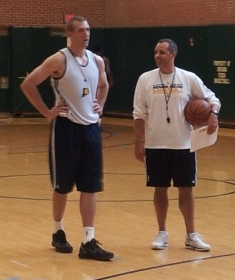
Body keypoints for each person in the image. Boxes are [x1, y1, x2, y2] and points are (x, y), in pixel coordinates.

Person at [20, 16, 114, 261]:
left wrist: (99, 105)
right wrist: (46, 113)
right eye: (81, 30)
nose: (86, 34)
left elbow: (103, 85)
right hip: (66, 128)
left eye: (88, 30)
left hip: (91, 128)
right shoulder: (59, 59)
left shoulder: (97, 61)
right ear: (70, 34)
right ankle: (58, 230)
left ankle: (88, 240)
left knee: (90, 186)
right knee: (62, 186)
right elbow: (29, 84)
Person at [133, 38, 221, 252]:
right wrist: (138, 141)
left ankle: (191, 235)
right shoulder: (145, 79)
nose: (157, 55)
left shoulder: (188, 78)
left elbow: (212, 98)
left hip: (183, 145)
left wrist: (213, 114)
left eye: (162, 52)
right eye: (156, 52)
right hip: (156, 145)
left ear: (173, 54)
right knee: (159, 189)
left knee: (186, 190)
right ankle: (162, 232)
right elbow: (138, 113)